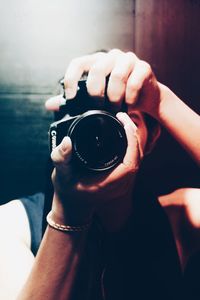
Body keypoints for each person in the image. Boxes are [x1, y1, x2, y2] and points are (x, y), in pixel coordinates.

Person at [0, 49, 199, 300]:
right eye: (91, 119)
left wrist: (161, 101)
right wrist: (69, 213)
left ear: (151, 140)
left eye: (127, 118)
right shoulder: (12, 223)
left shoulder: (181, 216)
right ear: (64, 132)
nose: (104, 134)